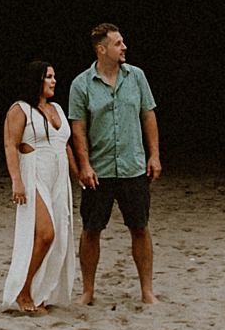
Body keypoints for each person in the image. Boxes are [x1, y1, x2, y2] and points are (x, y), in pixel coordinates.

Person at [67, 22, 160, 305]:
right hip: (100, 168)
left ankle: (147, 290)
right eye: (118, 43)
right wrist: (84, 165)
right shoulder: (81, 84)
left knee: (140, 227)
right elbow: (78, 128)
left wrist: (154, 154)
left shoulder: (137, 77)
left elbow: (148, 115)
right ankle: (88, 291)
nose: (124, 47)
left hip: (133, 165)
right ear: (101, 49)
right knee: (91, 229)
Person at [0, 59, 77, 313]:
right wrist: (17, 180)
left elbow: (65, 145)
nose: (54, 81)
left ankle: (41, 292)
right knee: (45, 233)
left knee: (60, 235)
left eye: (54, 76)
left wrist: (79, 173)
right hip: (34, 172)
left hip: (59, 174)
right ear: (36, 80)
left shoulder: (57, 108)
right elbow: (11, 145)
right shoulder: (20, 109)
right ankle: (23, 291)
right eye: (48, 77)